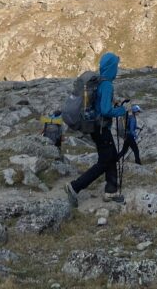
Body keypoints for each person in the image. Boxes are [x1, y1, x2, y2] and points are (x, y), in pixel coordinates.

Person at [64, 52, 128, 206]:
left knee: (111, 156)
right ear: (111, 67)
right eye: (116, 66)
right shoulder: (106, 85)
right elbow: (105, 111)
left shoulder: (100, 81)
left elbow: (100, 105)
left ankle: (111, 190)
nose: (117, 69)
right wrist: (122, 111)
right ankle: (75, 186)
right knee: (104, 162)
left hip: (96, 127)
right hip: (101, 128)